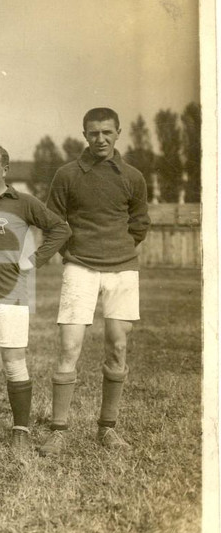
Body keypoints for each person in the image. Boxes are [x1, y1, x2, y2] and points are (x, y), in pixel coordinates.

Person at [38, 108, 150, 455]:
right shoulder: (67, 174)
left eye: (107, 132)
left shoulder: (132, 176)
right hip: (80, 268)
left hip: (122, 269)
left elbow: (139, 223)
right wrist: (77, 250)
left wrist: (118, 250)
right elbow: (53, 221)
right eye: (93, 133)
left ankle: (108, 429)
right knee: (70, 347)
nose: (100, 139)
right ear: (84, 135)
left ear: (118, 132)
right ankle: (58, 430)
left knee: (117, 344)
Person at [0, 144, 71, 455]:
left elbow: (60, 229)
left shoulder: (22, 202)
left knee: (14, 362)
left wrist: (34, 260)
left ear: (5, 169)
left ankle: (20, 429)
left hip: (11, 294)